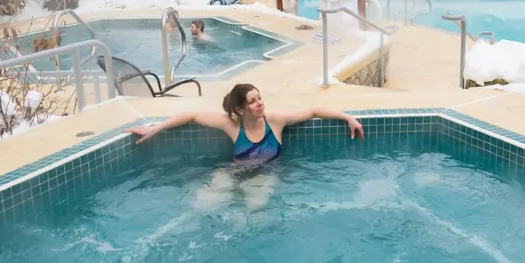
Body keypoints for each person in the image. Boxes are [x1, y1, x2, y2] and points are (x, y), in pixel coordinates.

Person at [125, 84, 364, 210]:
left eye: (259, 98)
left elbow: (313, 110)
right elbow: (191, 115)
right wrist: (154, 129)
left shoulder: (276, 121)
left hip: (264, 175)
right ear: (240, 109)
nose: (260, 104)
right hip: (233, 171)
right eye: (253, 101)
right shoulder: (232, 125)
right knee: (200, 207)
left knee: (254, 210)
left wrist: (348, 118)